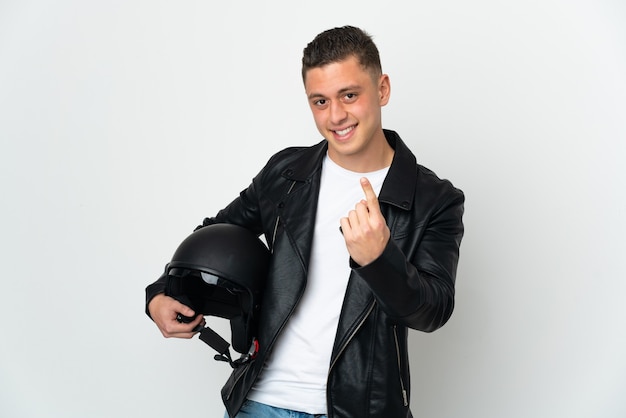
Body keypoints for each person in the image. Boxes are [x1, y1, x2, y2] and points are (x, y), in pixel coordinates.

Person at [146, 25, 465, 418]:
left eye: (349, 95)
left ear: (381, 89)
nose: (335, 116)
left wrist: (379, 259)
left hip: (359, 410)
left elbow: (433, 310)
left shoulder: (433, 199)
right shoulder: (286, 173)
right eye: (320, 101)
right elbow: (217, 234)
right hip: (262, 402)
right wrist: (162, 292)